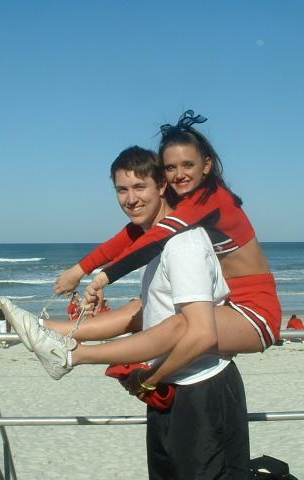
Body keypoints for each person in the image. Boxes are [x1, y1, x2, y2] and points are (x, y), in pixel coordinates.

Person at [8, 145, 250, 477]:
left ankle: (71, 355)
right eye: (122, 190)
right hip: (170, 390)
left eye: (139, 187)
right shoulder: (154, 244)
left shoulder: (184, 244)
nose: (130, 199)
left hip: (201, 392)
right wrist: (49, 327)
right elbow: (142, 312)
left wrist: (147, 380)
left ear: (161, 186)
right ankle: (60, 343)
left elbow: (200, 333)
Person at [55, 110, 281, 354]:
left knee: (171, 324)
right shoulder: (185, 199)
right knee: (141, 307)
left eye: (188, 165)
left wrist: (102, 278)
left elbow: (154, 239)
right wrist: (79, 270)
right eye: (171, 167)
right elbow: (130, 235)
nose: (180, 174)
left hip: (254, 312)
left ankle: (80, 355)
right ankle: (51, 330)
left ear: (206, 165)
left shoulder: (210, 198)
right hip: (225, 303)